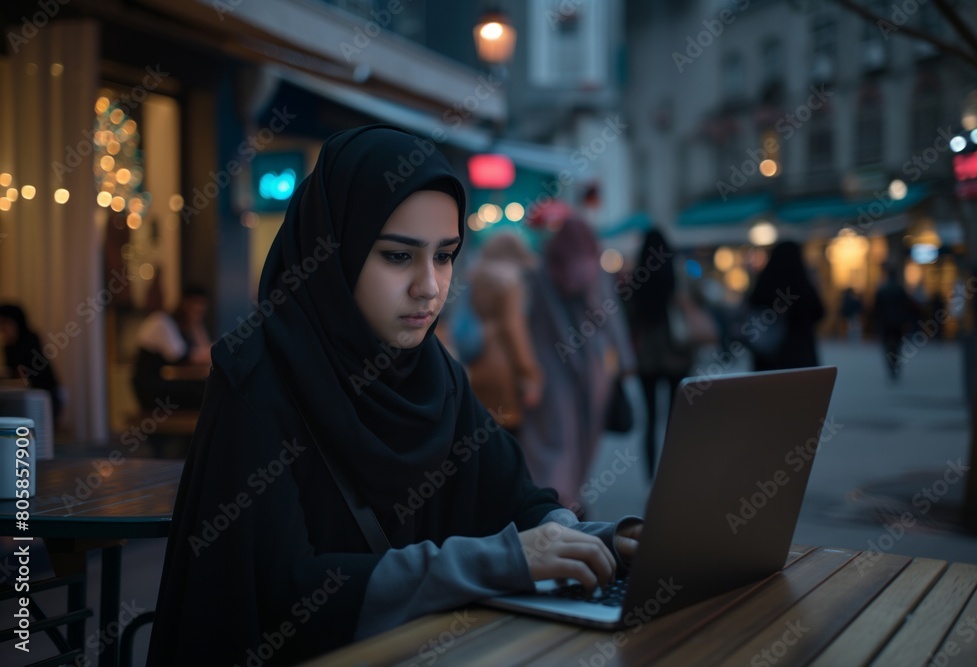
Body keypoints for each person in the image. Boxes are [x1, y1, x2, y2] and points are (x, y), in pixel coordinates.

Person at [147, 126, 642, 665]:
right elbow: (285, 596)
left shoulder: (435, 375)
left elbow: (517, 499)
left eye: (446, 256)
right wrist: (497, 560)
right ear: (332, 251)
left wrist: (601, 540)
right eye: (398, 257)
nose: (429, 286)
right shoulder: (259, 378)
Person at [518, 215, 636, 512]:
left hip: (548, 365)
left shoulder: (543, 269)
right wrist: (625, 360)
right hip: (592, 367)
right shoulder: (594, 270)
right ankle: (572, 495)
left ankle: (554, 496)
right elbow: (611, 318)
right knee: (585, 434)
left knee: (553, 437)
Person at [624, 229, 693, 479]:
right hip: (677, 352)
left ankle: (652, 477)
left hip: (647, 357)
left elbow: (628, 318)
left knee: (651, 419)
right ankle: (675, 472)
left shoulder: (637, 278)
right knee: (677, 419)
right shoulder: (677, 274)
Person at [465, 232, 544, 438]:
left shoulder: (475, 278)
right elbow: (514, 330)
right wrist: (529, 374)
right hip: (503, 371)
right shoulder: (510, 284)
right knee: (507, 441)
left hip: (475, 364)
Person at [746, 240, 825, 371]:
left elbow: (753, 306)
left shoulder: (766, 282)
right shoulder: (802, 284)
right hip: (801, 357)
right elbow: (820, 313)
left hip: (768, 356)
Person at [131, 285, 212, 411]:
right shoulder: (161, 321)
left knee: (209, 390)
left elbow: (203, 350)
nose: (198, 313)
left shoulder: (182, 327)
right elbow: (183, 357)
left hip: (165, 386)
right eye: (195, 308)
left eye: (201, 311)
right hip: (153, 392)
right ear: (184, 304)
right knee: (208, 392)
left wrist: (196, 325)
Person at [0, 304, 63, 422]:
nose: (3, 328)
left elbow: (35, 373)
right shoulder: (8, 346)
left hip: (43, 395)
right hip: (23, 397)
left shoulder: (30, 339)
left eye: (5, 323)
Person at [872, 265, 918, 381]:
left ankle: (890, 366)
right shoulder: (900, 289)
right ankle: (896, 364)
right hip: (898, 323)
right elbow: (908, 306)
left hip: (885, 323)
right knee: (898, 345)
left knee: (887, 346)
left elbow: (876, 309)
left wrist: (876, 323)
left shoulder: (882, 290)